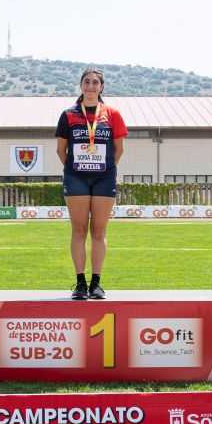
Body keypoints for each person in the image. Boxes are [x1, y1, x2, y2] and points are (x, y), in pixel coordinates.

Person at [56, 69, 128, 300]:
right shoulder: (68, 115)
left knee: (99, 231)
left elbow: (119, 149)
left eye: (95, 82)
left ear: (101, 87)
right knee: (78, 230)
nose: (90, 86)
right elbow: (61, 150)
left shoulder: (112, 114)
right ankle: (80, 284)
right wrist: (76, 168)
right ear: (80, 86)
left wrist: (105, 168)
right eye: (86, 82)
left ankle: (96, 284)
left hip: (104, 178)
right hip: (76, 177)